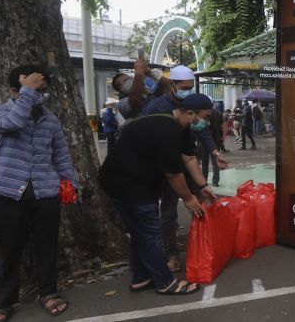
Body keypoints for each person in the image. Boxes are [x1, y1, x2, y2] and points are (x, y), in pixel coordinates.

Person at [98, 93, 214, 296]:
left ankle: (141, 278)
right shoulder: (167, 130)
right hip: (127, 185)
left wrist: (203, 185)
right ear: (189, 113)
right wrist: (188, 198)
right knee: (150, 235)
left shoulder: (179, 125)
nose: (206, 121)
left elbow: (188, 159)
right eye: (204, 116)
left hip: (133, 181)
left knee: (140, 233)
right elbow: (173, 173)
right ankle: (165, 282)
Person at [0, 65, 75, 321]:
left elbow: (61, 154)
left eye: (44, 91)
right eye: (39, 90)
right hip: (7, 196)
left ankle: (48, 292)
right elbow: (14, 123)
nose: (42, 96)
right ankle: (5, 303)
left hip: (45, 194)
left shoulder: (50, 120)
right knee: (10, 250)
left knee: (46, 247)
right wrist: (28, 92)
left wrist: (70, 182)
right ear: (18, 89)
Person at [143, 65, 228, 272]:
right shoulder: (157, 107)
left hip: (187, 159)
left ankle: (202, 246)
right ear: (172, 85)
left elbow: (201, 136)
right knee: (170, 210)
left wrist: (215, 154)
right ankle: (171, 253)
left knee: (201, 201)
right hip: (166, 165)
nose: (188, 90)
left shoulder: (195, 104)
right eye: (184, 86)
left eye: (190, 87)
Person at [201, 106, 224, 186]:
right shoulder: (218, 113)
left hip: (204, 140)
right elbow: (221, 128)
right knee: (215, 162)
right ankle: (215, 182)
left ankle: (204, 180)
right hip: (216, 139)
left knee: (204, 162)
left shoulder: (203, 113)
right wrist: (221, 140)